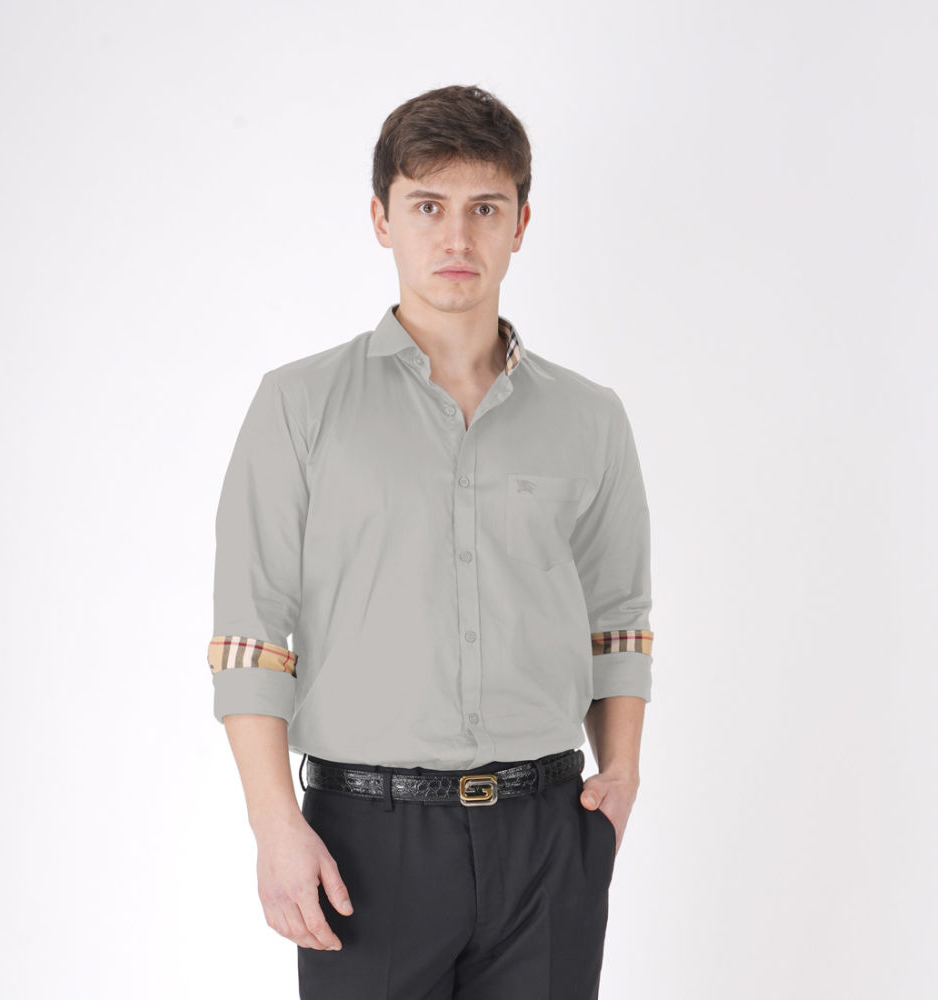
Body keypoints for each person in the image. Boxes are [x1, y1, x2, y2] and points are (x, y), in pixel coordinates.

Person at [206, 83, 655, 999]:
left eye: (485, 208)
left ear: (521, 223)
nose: (457, 238)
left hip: (548, 836)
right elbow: (251, 634)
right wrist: (273, 825)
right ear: (382, 218)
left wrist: (621, 774)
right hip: (365, 841)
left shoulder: (591, 418)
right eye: (427, 206)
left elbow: (617, 616)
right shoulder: (298, 406)